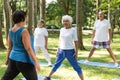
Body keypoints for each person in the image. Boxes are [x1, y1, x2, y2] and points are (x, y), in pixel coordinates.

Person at [1, 10, 40, 80]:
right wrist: (36, 61)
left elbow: (9, 47)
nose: (26, 19)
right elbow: (28, 48)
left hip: (13, 59)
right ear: (22, 18)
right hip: (24, 61)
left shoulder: (11, 30)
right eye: (26, 17)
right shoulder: (24, 31)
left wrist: (7, 59)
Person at [44, 15, 84, 80]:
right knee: (56, 64)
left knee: (76, 67)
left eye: (67, 21)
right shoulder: (62, 29)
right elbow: (60, 40)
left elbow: (76, 42)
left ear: (70, 22)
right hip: (61, 50)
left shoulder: (73, 30)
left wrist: (76, 52)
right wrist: (58, 50)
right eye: (64, 21)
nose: (65, 22)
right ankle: (48, 77)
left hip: (70, 51)